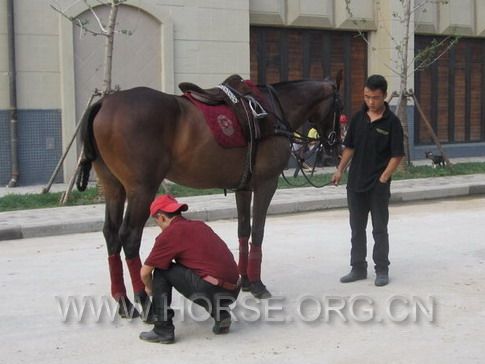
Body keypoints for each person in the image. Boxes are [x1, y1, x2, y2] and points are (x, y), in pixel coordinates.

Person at [331, 75, 404, 287]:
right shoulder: (358, 118)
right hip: (355, 184)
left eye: (375, 97)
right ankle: (358, 268)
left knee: (379, 229)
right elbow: (350, 147)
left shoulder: (392, 123)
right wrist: (340, 170)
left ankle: (381, 269)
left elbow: (397, 154)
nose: (370, 101)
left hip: (378, 186)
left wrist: (384, 177)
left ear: (384, 96)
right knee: (356, 228)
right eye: (367, 97)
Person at [139, 194, 240, 344]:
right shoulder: (200, 225)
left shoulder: (169, 235)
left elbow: (145, 272)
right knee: (199, 269)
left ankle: (163, 329)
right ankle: (221, 314)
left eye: (157, 222)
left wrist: (149, 287)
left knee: (161, 270)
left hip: (211, 288)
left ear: (160, 218)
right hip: (233, 290)